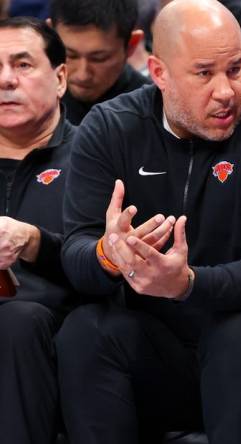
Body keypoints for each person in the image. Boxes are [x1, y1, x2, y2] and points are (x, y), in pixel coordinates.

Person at [55, 0, 241, 443]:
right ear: (159, 73)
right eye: (204, 73)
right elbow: (76, 251)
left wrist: (188, 283)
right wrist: (109, 255)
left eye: (235, 69)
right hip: (156, 354)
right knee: (86, 331)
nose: (225, 91)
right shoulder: (109, 128)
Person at [0, 16, 76, 444]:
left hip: (56, 333)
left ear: (60, 77)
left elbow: (108, 266)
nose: (5, 80)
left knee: (18, 320)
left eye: (23, 65)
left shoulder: (94, 157)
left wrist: (32, 243)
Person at [49, 0, 149, 124]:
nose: (82, 75)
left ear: (131, 45)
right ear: (50, 35)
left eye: (99, 59)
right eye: (70, 55)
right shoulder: (30, 96)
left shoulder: (153, 111)